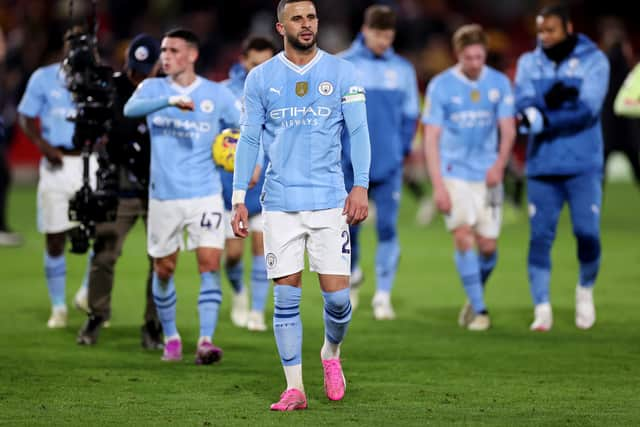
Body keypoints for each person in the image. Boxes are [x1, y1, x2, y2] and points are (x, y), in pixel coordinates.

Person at [231, 0, 370, 411]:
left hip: (329, 201)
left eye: (311, 17)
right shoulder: (260, 78)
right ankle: (294, 387)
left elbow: (358, 131)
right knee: (286, 299)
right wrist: (239, 198)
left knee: (338, 301)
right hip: (279, 202)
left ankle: (330, 353)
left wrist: (360, 185)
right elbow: (250, 140)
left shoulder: (344, 72)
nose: (307, 24)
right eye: (298, 18)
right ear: (281, 26)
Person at [124, 28, 240, 363]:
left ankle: (206, 340)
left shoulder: (215, 95)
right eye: (163, 50)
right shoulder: (152, 87)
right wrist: (170, 100)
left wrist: (246, 158)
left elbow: (242, 128)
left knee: (209, 264)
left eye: (173, 50)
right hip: (164, 197)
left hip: (205, 194)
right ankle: (172, 336)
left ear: (192, 55)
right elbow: (131, 110)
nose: (165, 56)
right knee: (164, 268)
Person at [514, 4, 609, 331]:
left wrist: (544, 116)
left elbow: (587, 111)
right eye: (540, 31)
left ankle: (585, 289)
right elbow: (523, 107)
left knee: (587, 233)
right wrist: (542, 109)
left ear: (567, 28)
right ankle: (542, 307)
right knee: (540, 237)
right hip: (542, 166)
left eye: (550, 30)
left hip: (583, 164)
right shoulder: (530, 62)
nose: (544, 37)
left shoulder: (594, 60)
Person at [422, 24, 516, 331]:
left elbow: (508, 129)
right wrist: (438, 185)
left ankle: (473, 295)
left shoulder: (499, 83)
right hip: (454, 172)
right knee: (463, 236)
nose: (475, 63)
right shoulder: (441, 85)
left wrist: (499, 165)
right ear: (457, 55)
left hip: (488, 174)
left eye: (480, 57)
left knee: (488, 246)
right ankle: (480, 310)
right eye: (469, 58)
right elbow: (431, 138)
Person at [76, 34, 163, 348]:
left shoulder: (167, 88)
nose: (138, 75)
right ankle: (96, 315)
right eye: (134, 68)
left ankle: (153, 323)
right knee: (104, 254)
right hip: (120, 183)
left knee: (160, 259)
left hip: (158, 186)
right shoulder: (110, 87)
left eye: (145, 69)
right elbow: (100, 131)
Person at [339, 5, 420, 319]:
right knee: (350, 230)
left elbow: (411, 115)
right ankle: (354, 274)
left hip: (388, 165)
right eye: (378, 35)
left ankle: (383, 295)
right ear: (365, 30)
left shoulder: (402, 70)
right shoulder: (344, 64)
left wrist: (399, 150)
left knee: (387, 228)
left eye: (389, 36)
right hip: (349, 164)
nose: (383, 41)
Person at [17, 28, 95, 328]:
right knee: (54, 237)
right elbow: (25, 116)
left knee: (100, 234)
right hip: (57, 164)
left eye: (85, 43)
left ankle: (88, 293)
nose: (79, 49)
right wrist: (43, 146)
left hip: (91, 163)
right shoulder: (44, 77)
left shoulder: (98, 79)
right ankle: (59, 307)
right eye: (74, 43)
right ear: (64, 45)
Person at [220, 36, 276, 331]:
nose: (260, 70)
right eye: (255, 64)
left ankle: (256, 311)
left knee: (262, 248)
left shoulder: (279, 91)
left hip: (268, 179)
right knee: (232, 255)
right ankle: (239, 292)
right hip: (231, 182)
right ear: (243, 61)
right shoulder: (223, 93)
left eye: (266, 63)